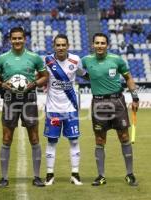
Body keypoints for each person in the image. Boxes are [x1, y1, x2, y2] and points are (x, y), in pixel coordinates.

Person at [0, 27, 49, 188]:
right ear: (10, 40)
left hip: (29, 100)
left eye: (20, 38)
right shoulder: (2, 58)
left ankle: (37, 177)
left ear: (25, 39)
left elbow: (45, 76)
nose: (17, 41)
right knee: (7, 138)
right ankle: (4, 177)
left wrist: (34, 83)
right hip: (10, 100)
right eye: (14, 38)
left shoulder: (34, 57)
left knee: (34, 138)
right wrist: (3, 84)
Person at [82, 33, 139, 186]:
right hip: (98, 103)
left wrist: (135, 98)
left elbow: (129, 78)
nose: (100, 45)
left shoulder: (117, 60)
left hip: (117, 102)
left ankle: (130, 174)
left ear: (107, 45)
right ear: (92, 45)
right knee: (100, 139)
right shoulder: (86, 60)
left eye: (103, 43)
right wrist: (91, 78)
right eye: (97, 43)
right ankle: (101, 176)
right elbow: (76, 71)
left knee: (124, 137)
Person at [44, 34, 89, 186]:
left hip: (70, 108)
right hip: (53, 109)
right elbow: (39, 77)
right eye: (58, 45)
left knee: (74, 140)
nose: (61, 47)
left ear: (68, 45)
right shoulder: (47, 61)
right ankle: (50, 174)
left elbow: (85, 75)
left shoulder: (76, 60)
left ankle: (75, 174)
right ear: (54, 46)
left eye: (63, 45)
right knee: (51, 141)